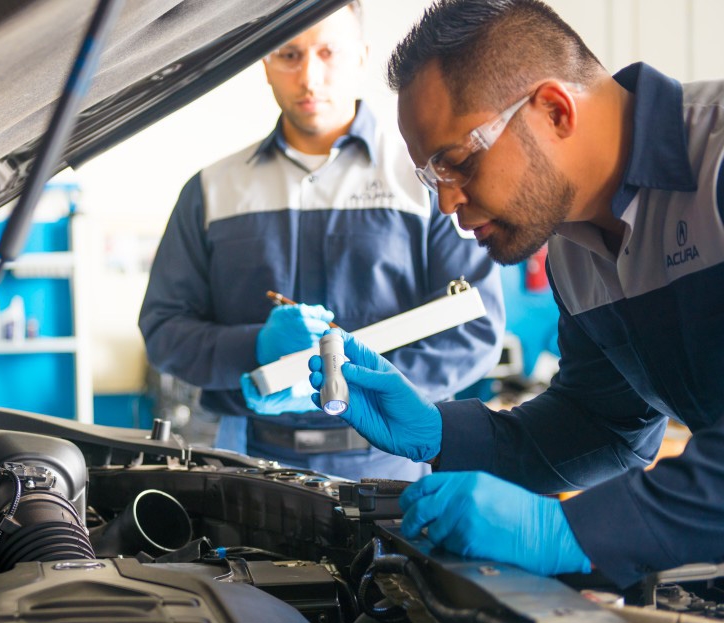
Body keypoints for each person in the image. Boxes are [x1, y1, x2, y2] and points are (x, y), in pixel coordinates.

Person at [309, 0, 724, 588]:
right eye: (432, 179)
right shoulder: (575, 253)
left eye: (456, 164)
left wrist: (570, 532)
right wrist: (442, 432)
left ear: (554, 109)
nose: (447, 204)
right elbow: (603, 425)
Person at [139, 2, 504, 482]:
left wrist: (362, 390)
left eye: (329, 52)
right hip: (246, 459)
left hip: (390, 456)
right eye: (288, 55)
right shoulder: (210, 191)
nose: (309, 76)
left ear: (361, 58)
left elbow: (474, 329)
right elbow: (165, 330)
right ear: (265, 63)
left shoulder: (427, 181)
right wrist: (255, 349)